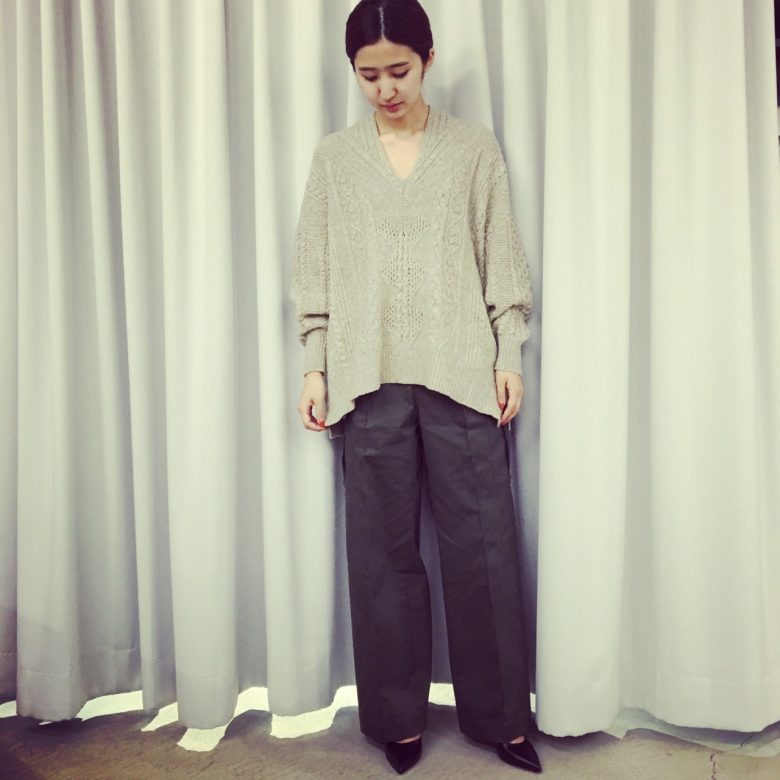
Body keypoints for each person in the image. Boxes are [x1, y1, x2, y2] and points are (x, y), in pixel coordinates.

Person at [290, 0, 542, 774]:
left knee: (483, 552)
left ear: (428, 60)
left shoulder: (472, 149)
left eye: (398, 70)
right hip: (366, 382)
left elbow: (500, 256)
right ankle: (397, 720)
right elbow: (314, 268)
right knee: (382, 557)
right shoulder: (336, 159)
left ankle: (502, 718)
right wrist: (315, 363)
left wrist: (508, 354)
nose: (385, 89)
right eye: (368, 75)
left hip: (462, 373)